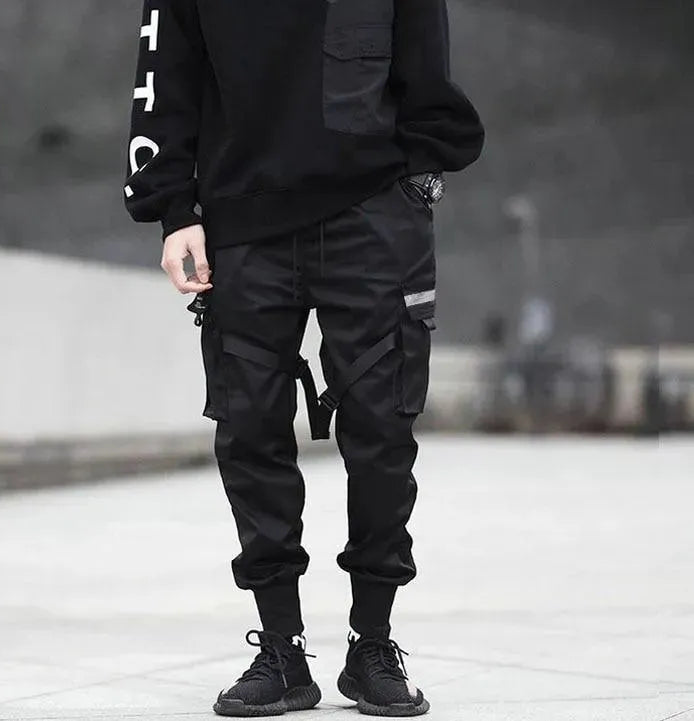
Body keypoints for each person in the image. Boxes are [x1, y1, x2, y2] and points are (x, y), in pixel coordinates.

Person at [124, 0, 484, 715]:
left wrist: (420, 174)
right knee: (249, 429)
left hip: (374, 208)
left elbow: (423, 47)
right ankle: (281, 652)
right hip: (242, 214)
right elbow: (165, 68)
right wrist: (174, 210)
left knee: (383, 428)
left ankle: (372, 643)